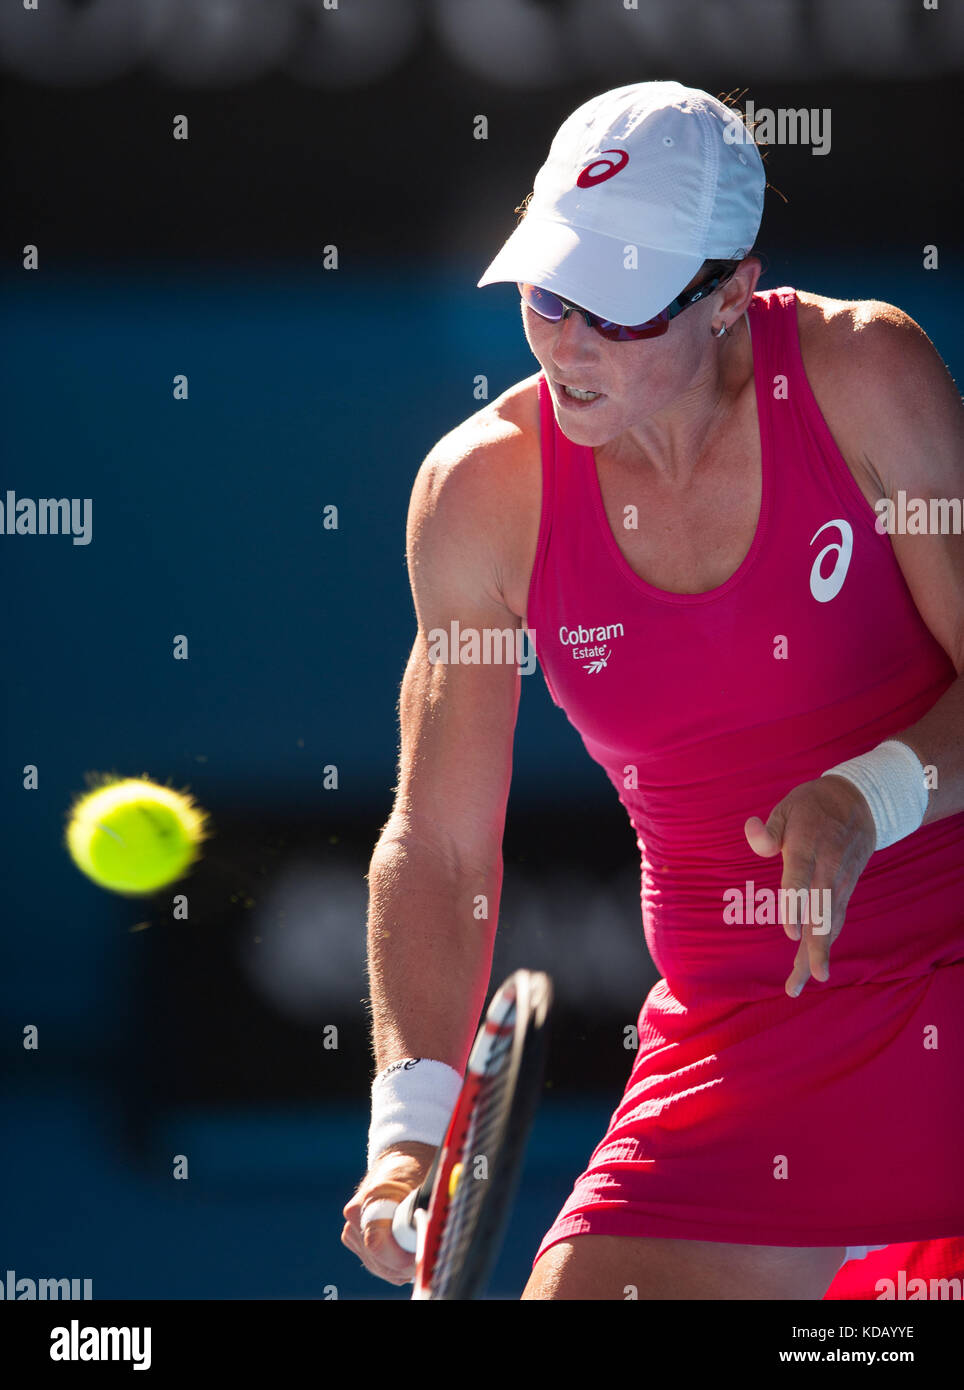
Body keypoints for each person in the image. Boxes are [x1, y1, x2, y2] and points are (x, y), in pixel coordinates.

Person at [341, 81, 963, 1299]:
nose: (567, 339)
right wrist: (409, 1129)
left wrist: (865, 795)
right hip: (745, 1028)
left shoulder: (862, 376)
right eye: (545, 293)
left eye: (614, 312)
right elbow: (443, 846)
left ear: (731, 291)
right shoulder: (481, 496)